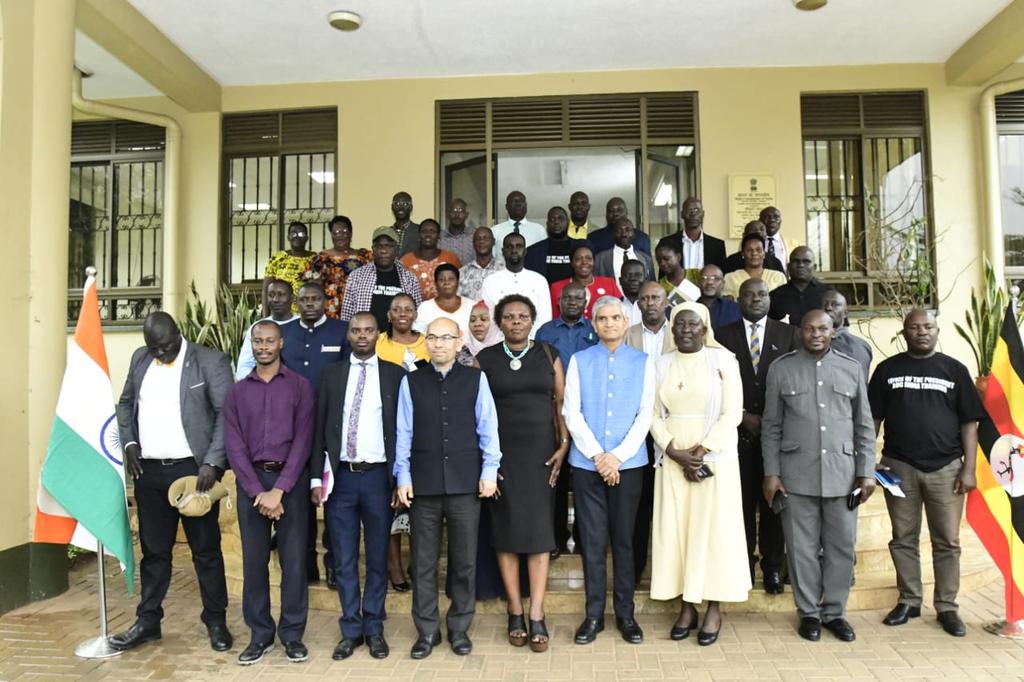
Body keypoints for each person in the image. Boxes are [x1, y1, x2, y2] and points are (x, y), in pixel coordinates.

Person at [110, 312, 234, 653]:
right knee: (154, 553)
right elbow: (126, 404)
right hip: (148, 473)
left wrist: (213, 462)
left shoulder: (209, 361)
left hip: (194, 473)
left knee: (205, 552)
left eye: (165, 346)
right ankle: (148, 621)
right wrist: (130, 442)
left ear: (178, 334)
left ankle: (216, 621)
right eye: (154, 348)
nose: (160, 354)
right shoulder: (140, 359)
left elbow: (227, 414)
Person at [868, 309, 984, 637]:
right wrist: (867, 462)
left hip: (946, 468)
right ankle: (909, 600)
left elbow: (969, 423)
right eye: (915, 327)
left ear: (937, 330)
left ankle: (947, 606)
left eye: (928, 327)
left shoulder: (955, 370)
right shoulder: (887, 370)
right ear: (904, 332)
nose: (922, 332)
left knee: (947, 540)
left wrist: (969, 469)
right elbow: (872, 419)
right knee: (903, 537)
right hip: (898, 466)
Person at [761, 310, 875, 643]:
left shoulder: (851, 368)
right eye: (809, 329)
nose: (816, 334)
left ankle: (835, 613)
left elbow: (864, 425)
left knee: (842, 547)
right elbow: (771, 426)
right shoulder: (781, 369)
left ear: (833, 331)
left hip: (843, 475)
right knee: (801, 549)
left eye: (823, 329)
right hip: (796, 475)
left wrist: (866, 471)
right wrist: (771, 473)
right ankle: (809, 613)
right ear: (799, 332)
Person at [394, 318, 502, 659]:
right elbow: (403, 433)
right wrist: (403, 477)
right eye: (433, 337)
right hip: (423, 485)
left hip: (465, 483)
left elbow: (488, 428)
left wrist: (490, 471)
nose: (438, 343)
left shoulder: (475, 379)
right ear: (426, 341)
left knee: (464, 561)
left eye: (446, 338)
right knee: (423, 562)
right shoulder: (411, 381)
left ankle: (459, 627)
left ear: (459, 342)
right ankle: (427, 630)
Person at [650, 302, 750, 645]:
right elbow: (652, 413)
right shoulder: (661, 364)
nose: (686, 330)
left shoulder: (723, 361)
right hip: (674, 458)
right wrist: (673, 450)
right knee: (679, 532)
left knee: (713, 533)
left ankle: (713, 608)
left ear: (705, 329)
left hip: (714, 458)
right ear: (672, 330)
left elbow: (733, 412)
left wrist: (701, 451)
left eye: (694, 325)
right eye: (680, 325)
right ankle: (687, 606)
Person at [310, 312, 408, 660]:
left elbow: (404, 431)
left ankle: (374, 627)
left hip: (380, 479)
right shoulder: (331, 375)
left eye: (368, 330)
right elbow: (319, 430)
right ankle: (351, 629)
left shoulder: (396, 375)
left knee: (379, 557)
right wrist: (315, 479)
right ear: (348, 335)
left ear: (378, 335)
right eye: (356, 331)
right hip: (342, 479)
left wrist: (401, 479)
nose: (362, 336)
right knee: (345, 558)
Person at [477, 294, 569, 652]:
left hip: (542, 457)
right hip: (501, 458)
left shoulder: (548, 354)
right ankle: (515, 609)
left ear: (533, 320)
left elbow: (562, 403)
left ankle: (537, 612)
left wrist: (564, 445)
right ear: (499, 322)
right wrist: (486, 463)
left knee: (539, 533)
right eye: (509, 317)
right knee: (506, 532)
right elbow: (475, 411)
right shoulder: (485, 359)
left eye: (523, 316)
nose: (516, 322)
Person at [562, 297, 655, 645]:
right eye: (603, 318)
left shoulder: (643, 362)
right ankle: (594, 615)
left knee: (625, 541)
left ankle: (626, 614)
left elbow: (645, 414)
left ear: (625, 321)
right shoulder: (580, 360)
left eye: (616, 317)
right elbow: (572, 412)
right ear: (594, 323)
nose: (610, 323)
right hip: (587, 465)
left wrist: (616, 457)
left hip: (628, 465)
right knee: (593, 541)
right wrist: (599, 456)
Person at [223, 320, 315, 665]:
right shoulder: (237, 392)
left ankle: (292, 635)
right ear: (252, 344)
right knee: (254, 563)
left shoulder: (300, 387)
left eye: (269, 341)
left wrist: (279, 490)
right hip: (252, 483)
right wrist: (256, 491)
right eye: (258, 341)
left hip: (290, 482)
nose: (263, 346)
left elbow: (304, 441)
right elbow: (234, 446)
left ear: (281, 344)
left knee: (294, 563)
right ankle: (260, 634)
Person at [716, 279, 798, 593]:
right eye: (748, 295)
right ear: (738, 300)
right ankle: (745, 564)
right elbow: (716, 385)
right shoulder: (722, 336)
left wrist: (773, 420)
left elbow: (795, 383)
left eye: (762, 294)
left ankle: (773, 568)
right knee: (742, 504)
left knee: (774, 502)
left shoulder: (788, 334)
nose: (755, 299)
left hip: (777, 436)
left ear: (769, 299)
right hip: (736, 435)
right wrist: (741, 416)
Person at [280, 280, 348, 585]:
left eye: (315, 298)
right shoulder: (284, 332)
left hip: (331, 424)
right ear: (297, 302)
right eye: (305, 299)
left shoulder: (340, 331)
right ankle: (307, 563)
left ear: (325, 302)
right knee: (300, 500)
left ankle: (333, 563)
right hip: (294, 427)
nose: (310, 303)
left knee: (333, 496)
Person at [535, 283, 599, 557]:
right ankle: (557, 538)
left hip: (589, 411)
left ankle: (585, 539)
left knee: (586, 477)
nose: (573, 301)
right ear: (559, 301)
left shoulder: (594, 329)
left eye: (578, 298)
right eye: (568, 297)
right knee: (556, 478)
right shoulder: (545, 331)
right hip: (554, 410)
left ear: (585, 302)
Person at [624, 281, 673, 582]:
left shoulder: (680, 331)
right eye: (645, 299)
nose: (650, 302)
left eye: (656, 297)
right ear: (638, 304)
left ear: (666, 302)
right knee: (639, 502)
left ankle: (669, 570)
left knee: (669, 501)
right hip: (637, 429)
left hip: (673, 428)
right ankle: (635, 566)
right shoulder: (627, 335)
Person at [340, 226, 422, 331]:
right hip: (366, 339)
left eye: (388, 246)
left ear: (397, 249)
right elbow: (346, 316)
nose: (383, 251)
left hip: (399, 339)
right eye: (379, 246)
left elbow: (417, 315)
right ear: (373, 249)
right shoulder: (356, 276)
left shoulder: (410, 278)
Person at [480, 232, 552, 335]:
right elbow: (489, 317)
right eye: (509, 247)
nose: (514, 250)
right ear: (503, 252)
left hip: (532, 340)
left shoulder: (539, 280)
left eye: (518, 246)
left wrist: (530, 340)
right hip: (499, 340)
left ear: (525, 251)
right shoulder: (490, 281)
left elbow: (544, 319)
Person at [308, 215, 371, 318]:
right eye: (336, 232)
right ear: (331, 235)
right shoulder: (321, 258)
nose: (340, 235)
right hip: (330, 310)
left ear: (351, 234)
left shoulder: (364, 256)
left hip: (358, 307)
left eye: (344, 231)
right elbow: (312, 288)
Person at [235, 279, 298, 381]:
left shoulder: (302, 325)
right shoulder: (258, 327)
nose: (275, 299)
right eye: (271, 295)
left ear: (292, 298)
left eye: (281, 295)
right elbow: (244, 367)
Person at [550, 244, 623, 320]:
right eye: (578, 259)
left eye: (588, 258)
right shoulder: (557, 287)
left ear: (594, 261)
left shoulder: (609, 283)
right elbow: (554, 319)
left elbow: (619, 315)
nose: (584, 262)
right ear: (572, 263)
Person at [399, 218, 462, 301]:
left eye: (432, 231)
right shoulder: (406, 260)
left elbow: (461, 285)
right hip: (415, 307)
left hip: (445, 306)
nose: (428, 234)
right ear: (418, 235)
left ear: (438, 235)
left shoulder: (451, 258)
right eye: (424, 231)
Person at [768, 246, 832, 324]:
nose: (801, 265)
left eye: (806, 261)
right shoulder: (774, 296)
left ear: (815, 267)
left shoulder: (829, 294)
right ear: (788, 267)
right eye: (796, 261)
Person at [665, 197, 727, 278]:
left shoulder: (717, 246)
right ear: (682, 214)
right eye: (689, 210)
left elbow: (721, 277)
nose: (693, 213)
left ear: (703, 214)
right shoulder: (668, 243)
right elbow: (663, 277)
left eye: (696, 210)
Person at [524, 206, 586, 284]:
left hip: (574, 291)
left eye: (560, 218)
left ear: (568, 222)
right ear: (547, 224)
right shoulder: (534, 251)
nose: (556, 222)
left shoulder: (579, 247)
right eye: (552, 219)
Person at [263, 221, 316, 313]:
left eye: (301, 234)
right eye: (293, 234)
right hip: (281, 314)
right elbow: (266, 289)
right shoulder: (277, 258)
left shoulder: (316, 259)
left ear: (307, 238)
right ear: (288, 237)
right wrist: (265, 317)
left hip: (307, 313)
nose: (297, 236)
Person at [822, 290, 872, 381]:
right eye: (824, 304)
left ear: (845, 313)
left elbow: (858, 385)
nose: (828, 308)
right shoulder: (806, 342)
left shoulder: (856, 347)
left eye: (835, 304)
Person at [414, 263, 474, 335]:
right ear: (435, 284)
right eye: (441, 279)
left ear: (458, 282)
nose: (446, 282)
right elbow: (419, 336)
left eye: (451, 279)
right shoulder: (425, 308)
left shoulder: (472, 306)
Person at [722, 233, 787, 299]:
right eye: (749, 250)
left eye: (758, 250)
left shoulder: (778, 277)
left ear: (764, 254)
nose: (754, 253)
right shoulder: (730, 278)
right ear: (743, 254)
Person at [376, 293, 429, 371]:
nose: (403, 314)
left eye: (408, 310)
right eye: (396, 310)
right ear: (389, 315)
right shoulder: (376, 342)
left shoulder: (428, 342)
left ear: (415, 315)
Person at [459, 226, 504, 300]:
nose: (481, 241)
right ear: (473, 243)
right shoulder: (462, 273)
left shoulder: (503, 269)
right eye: (478, 239)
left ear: (493, 242)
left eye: (486, 238)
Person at [655, 237, 699, 306]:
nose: (662, 263)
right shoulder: (659, 286)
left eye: (666, 259)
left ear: (678, 257)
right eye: (659, 261)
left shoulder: (697, 274)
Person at [697, 264, 741, 332]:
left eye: (716, 279)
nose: (710, 282)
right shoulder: (689, 308)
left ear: (723, 284)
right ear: (698, 283)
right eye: (704, 278)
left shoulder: (736, 309)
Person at [440, 198, 476, 266]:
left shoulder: (474, 236)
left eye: (460, 211)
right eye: (454, 211)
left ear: (466, 215)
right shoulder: (439, 237)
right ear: (448, 214)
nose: (457, 215)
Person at [760, 206, 790, 274]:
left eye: (776, 217)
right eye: (767, 217)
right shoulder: (750, 244)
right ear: (760, 220)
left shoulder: (793, 244)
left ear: (781, 221)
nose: (772, 220)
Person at [618, 259, 647, 326]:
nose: (633, 278)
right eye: (628, 275)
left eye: (638, 275)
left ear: (645, 280)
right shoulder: (613, 306)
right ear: (620, 281)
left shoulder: (653, 306)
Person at [391, 191, 420, 257]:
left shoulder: (420, 231)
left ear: (411, 207)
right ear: (392, 207)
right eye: (397, 203)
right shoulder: (386, 233)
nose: (401, 207)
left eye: (405, 204)